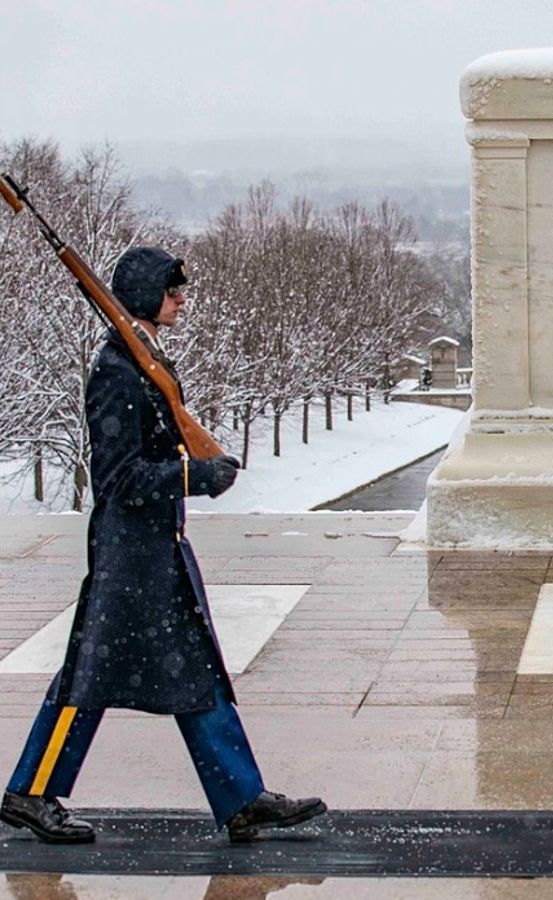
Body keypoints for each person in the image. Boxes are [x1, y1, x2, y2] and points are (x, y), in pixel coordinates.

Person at [0, 246, 326, 844]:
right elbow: (118, 480)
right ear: (148, 296)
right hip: (130, 553)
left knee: (193, 671)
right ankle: (29, 792)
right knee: (89, 674)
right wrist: (193, 477)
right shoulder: (116, 371)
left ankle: (241, 796)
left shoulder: (143, 359)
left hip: (155, 548)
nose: (181, 300)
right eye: (173, 291)